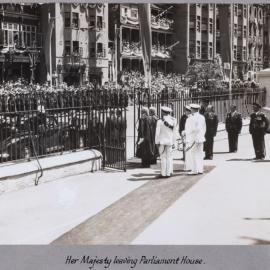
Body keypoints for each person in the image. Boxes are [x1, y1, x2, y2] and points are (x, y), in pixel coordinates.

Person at [155, 106, 178, 178]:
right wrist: (174, 141)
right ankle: (169, 173)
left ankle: (163, 173)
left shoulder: (160, 121)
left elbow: (157, 133)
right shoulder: (174, 120)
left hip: (162, 141)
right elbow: (175, 132)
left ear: (163, 112)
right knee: (169, 157)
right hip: (170, 141)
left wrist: (156, 142)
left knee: (163, 158)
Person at [186, 103, 206, 175]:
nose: (190, 110)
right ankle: (200, 169)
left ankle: (194, 170)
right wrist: (201, 135)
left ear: (193, 109)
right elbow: (204, 128)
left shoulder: (191, 118)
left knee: (194, 154)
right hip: (200, 138)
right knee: (200, 154)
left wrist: (186, 134)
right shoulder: (202, 117)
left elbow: (189, 129)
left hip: (194, 138)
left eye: (191, 109)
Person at [181, 105, 193, 171]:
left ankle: (190, 165)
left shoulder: (191, 118)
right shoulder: (183, 117)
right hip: (184, 135)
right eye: (185, 110)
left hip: (189, 136)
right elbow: (181, 126)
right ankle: (185, 163)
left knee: (189, 150)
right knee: (184, 150)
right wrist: (181, 134)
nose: (185, 111)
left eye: (186, 110)